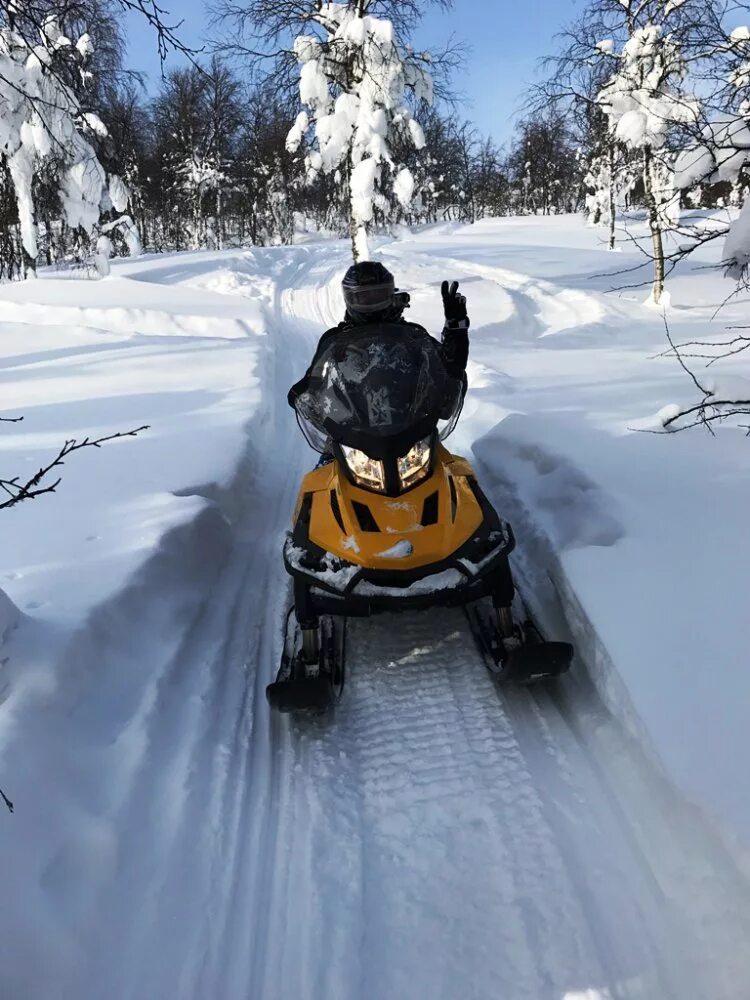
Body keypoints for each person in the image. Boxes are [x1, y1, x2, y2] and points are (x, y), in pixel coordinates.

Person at [288, 261, 470, 411]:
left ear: (391, 294)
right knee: (329, 456)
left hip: (412, 425)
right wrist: (304, 393)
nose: (371, 304)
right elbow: (316, 379)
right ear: (349, 299)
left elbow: (449, 367)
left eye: (378, 295)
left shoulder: (413, 336)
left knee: (447, 456)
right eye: (363, 298)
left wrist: (456, 329)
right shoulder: (336, 340)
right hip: (353, 430)